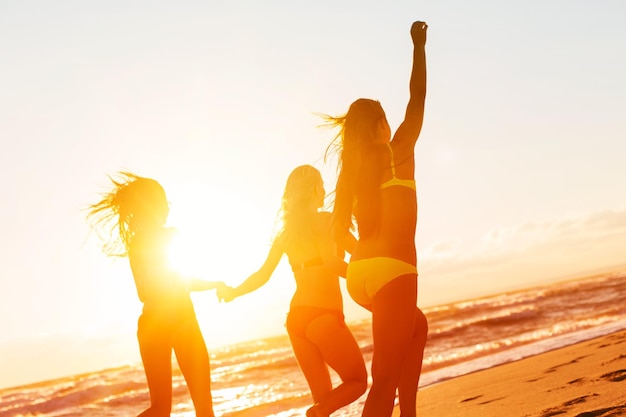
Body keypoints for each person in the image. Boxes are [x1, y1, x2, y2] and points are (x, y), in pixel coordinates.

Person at [323, 21, 429, 417]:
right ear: (382, 124)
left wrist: (365, 259)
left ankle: (410, 414)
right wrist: (419, 46)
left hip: (360, 276)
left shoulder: (350, 173)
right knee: (382, 382)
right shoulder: (399, 149)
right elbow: (417, 96)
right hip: (394, 272)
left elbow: (339, 240)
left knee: (416, 328)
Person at [217, 165, 367, 417]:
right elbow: (358, 257)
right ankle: (315, 414)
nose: (324, 189)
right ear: (314, 189)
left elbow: (262, 276)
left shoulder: (286, 234)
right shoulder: (328, 220)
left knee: (322, 400)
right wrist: (367, 278)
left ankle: (317, 412)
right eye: (320, 184)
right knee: (357, 381)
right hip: (324, 315)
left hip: (296, 319)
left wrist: (234, 292)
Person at [87, 172, 222, 417]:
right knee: (204, 406)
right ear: (153, 206)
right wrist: (215, 283)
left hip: (149, 326)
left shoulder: (135, 244)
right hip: (180, 318)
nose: (166, 207)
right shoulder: (171, 235)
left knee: (160, 409)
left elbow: (143, 293)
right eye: (163, 202)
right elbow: (184, 279)